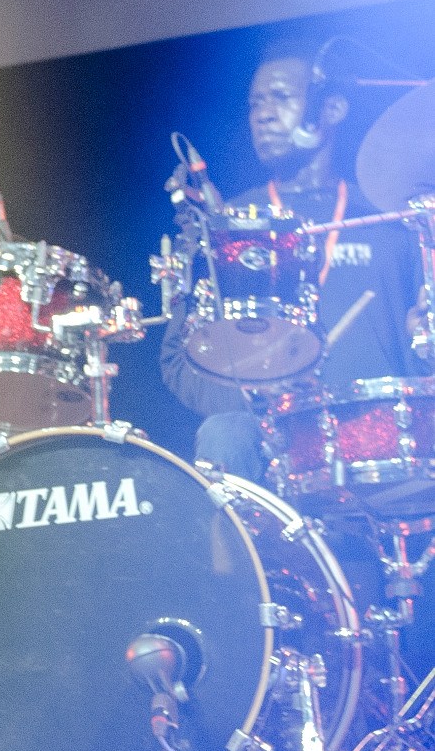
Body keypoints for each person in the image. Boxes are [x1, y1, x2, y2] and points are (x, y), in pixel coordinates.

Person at [161, 37, 427, 481]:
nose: (263, 114)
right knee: (224, 434)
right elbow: (177, 360)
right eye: (255, 104)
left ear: (332, 110)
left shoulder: (388, 217)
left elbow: (423, 343)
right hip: (281, 440)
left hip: (382, 438)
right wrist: (257, 394)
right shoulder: (228, 226)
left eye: (281, 98)